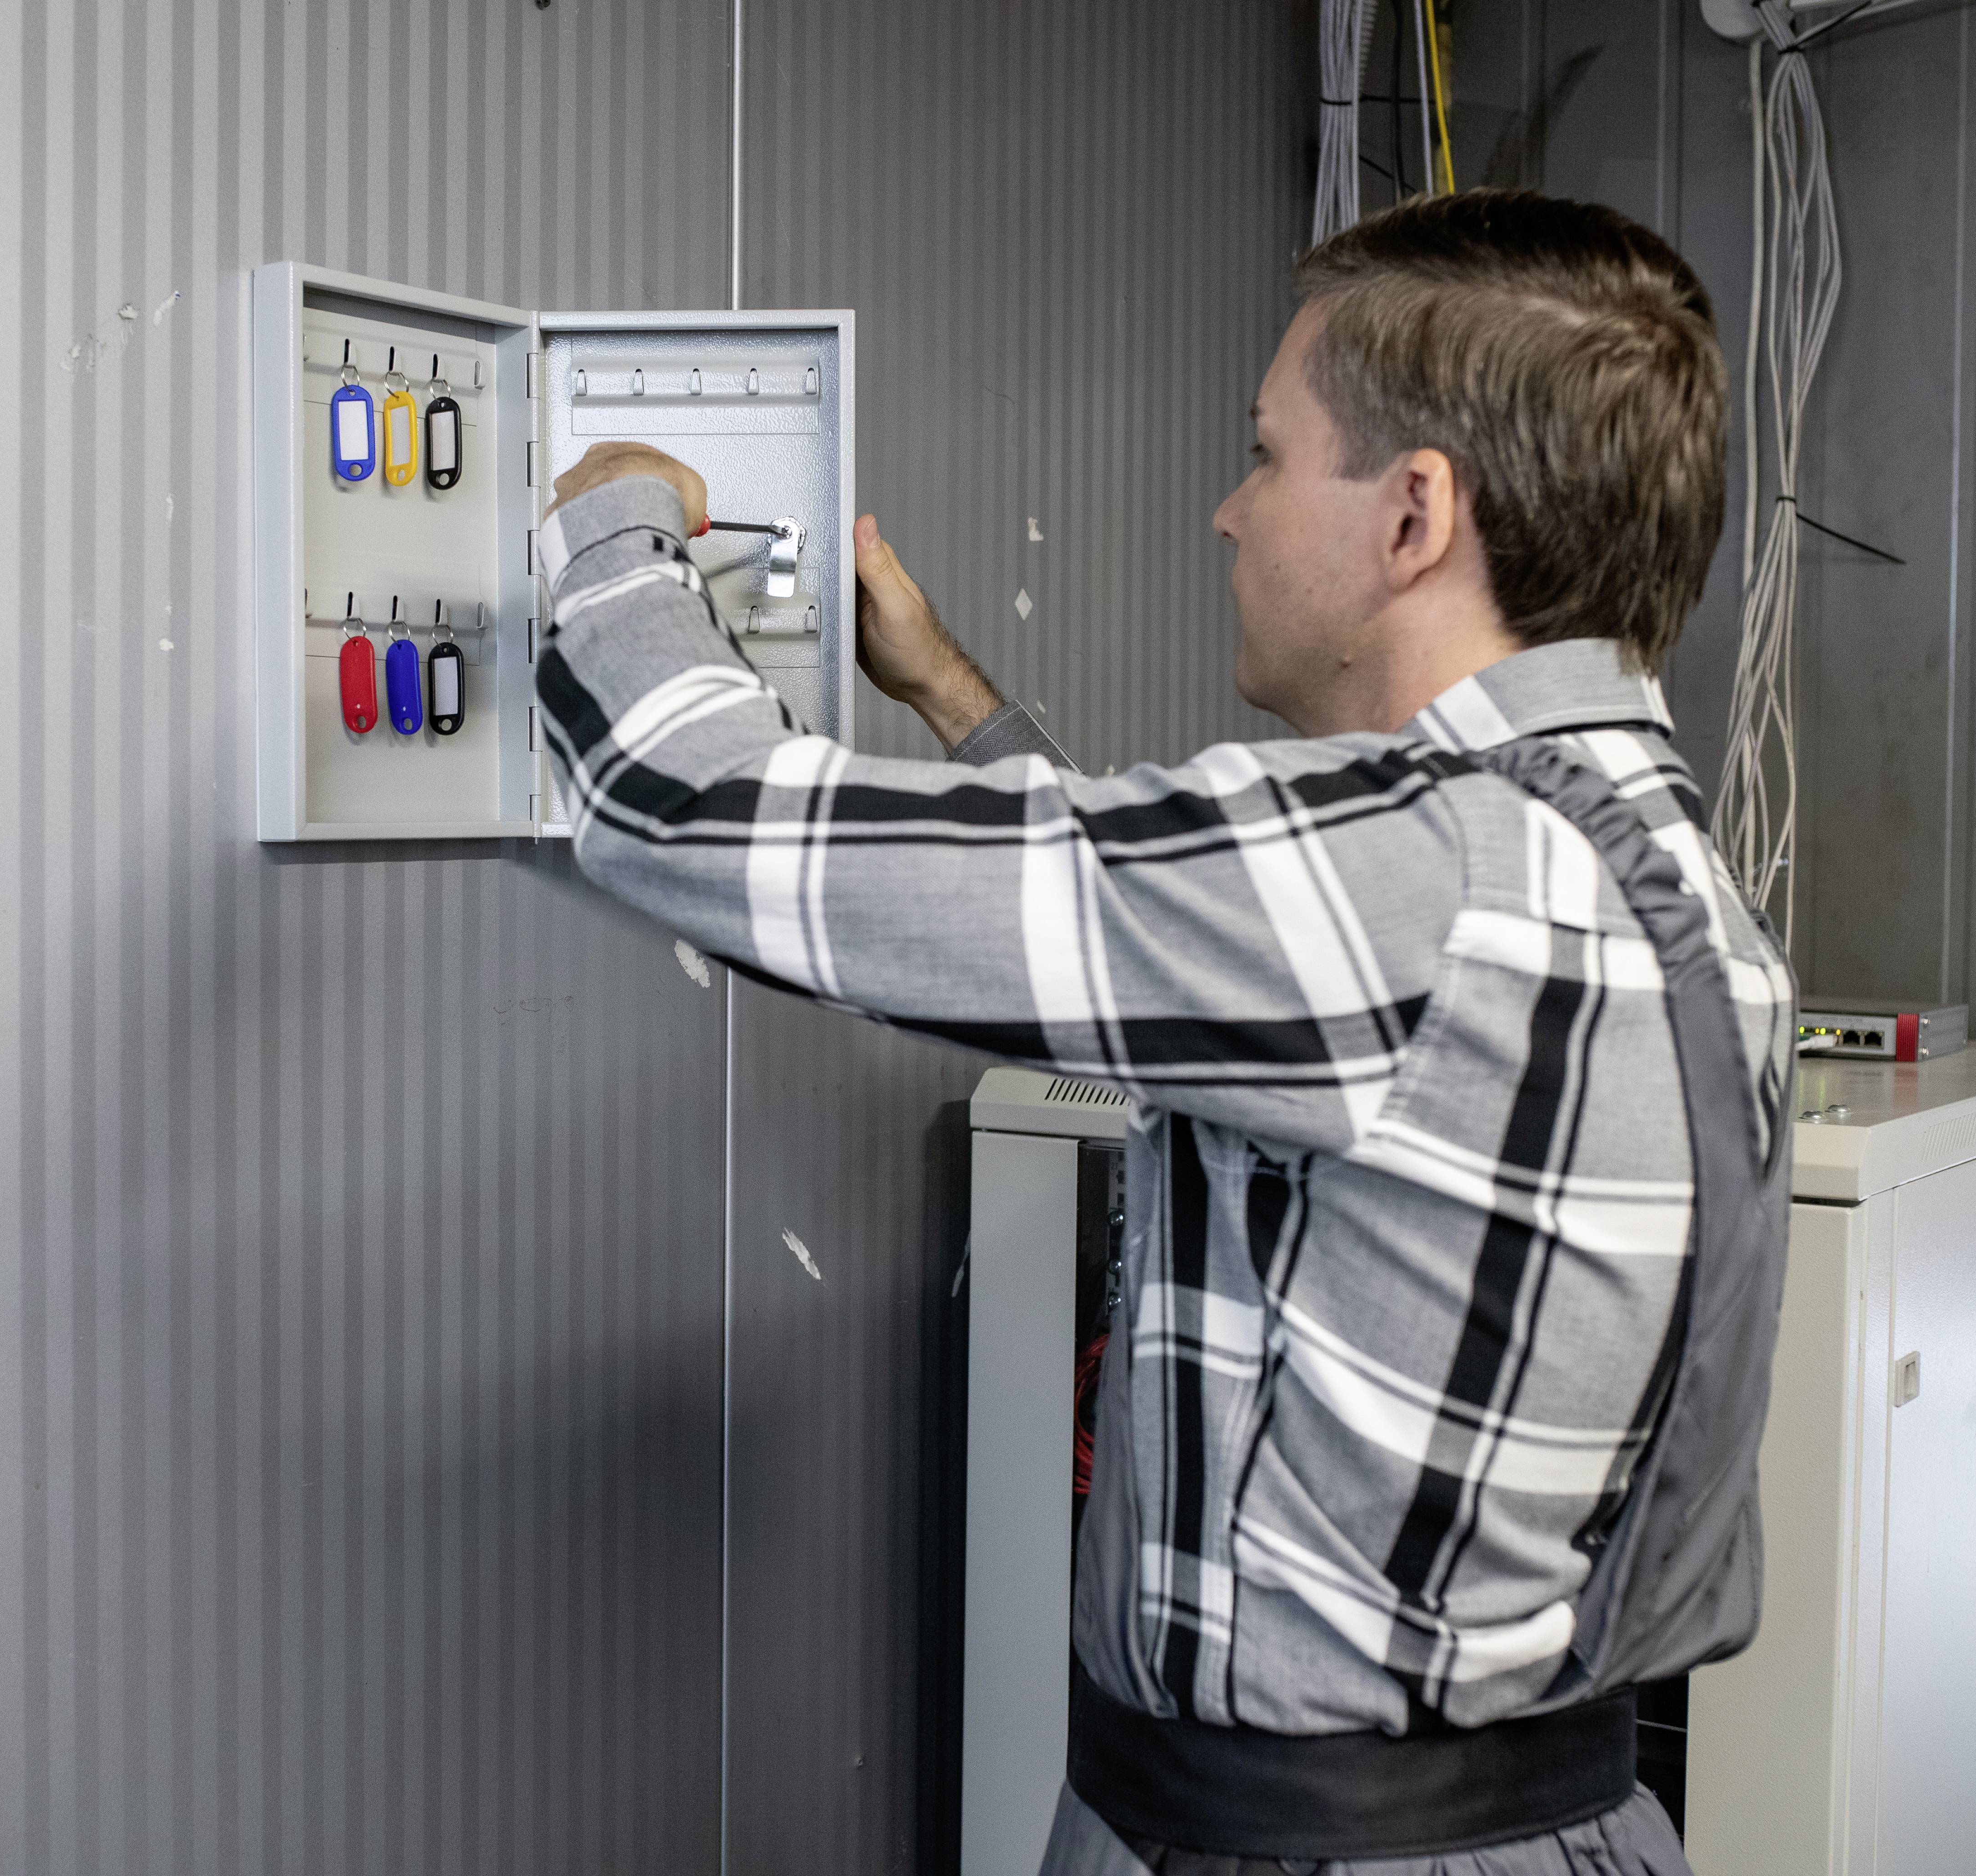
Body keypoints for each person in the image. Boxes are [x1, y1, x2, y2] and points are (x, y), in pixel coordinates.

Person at [532, 190, 1794, 1876]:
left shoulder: (1423, 881)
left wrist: (617, 525)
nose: (1229, 511)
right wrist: (952, 698)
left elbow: (689, 816)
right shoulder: (1632, 863)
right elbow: (1193, 976)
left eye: (1269, 457)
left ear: (1416, 514)